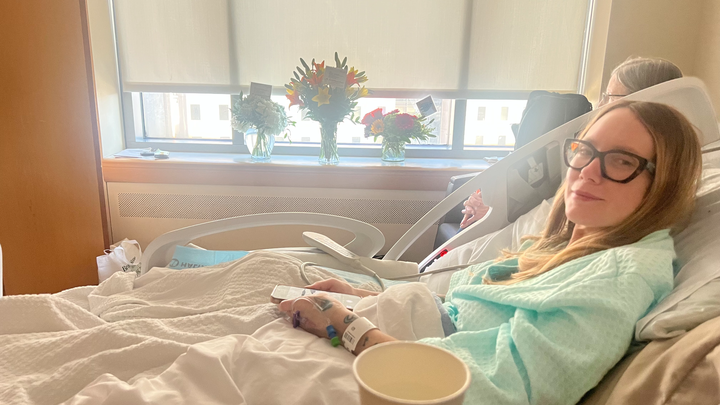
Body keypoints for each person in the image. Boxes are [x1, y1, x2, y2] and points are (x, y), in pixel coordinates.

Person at [279, 100, 702, 404]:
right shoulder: (576, 243)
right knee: (273, 270)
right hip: (402, 328)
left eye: (622, 161)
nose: (588, 171)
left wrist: (346, 325)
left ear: (664, 184)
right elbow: (462, 304)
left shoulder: (619, 277)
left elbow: (497, 388)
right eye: (585, 151)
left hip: (408, 365)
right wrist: (364, 295)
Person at [459, 56, 684, 230]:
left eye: (610, 97)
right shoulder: (579, 145)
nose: (600, 105)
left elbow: (556, 221)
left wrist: (493, 213)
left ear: (644, 102)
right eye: (585, 151)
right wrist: (488, 202)